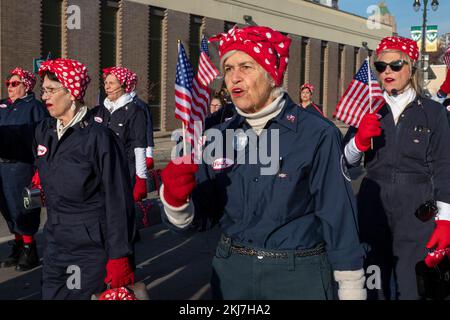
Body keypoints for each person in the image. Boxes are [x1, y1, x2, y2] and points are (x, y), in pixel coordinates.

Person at [160, 25, 366, 300]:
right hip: (231, 273)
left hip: (298, 276)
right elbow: (200, 218)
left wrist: (351, 287)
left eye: (246, 66)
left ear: (271, 75)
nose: (234, 78)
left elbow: (338, 216)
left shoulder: (317, 133)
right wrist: (175, 200)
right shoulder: (218, 136)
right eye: (229, 68)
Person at [0, 58, 135, 299]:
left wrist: (119, 255)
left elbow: (119, 200)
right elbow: (11, 138)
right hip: (55, 240)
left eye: (52, 90)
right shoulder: (45, 131)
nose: (44, 96)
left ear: (72, 93)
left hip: (89, 246)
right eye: (43, 90)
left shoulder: (99, 137)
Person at [342, 36, 450, 300]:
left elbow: (445, 165)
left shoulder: (433, 112)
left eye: (395, 65)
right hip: (372, 206)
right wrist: (359, 141)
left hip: (417, 212)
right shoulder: (369, 108)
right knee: (374, 287)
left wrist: (446, 221)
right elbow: (345, 163)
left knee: (412, 288)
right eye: (381, 66)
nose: (387, 72)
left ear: (411, 67)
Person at [0, 67, 49, 271]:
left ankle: (30, 248)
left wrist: (40, 168)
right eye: (8, 84)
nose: (10, 87)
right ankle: (19, 244)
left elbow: (42, 137)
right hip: (2, 165)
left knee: (24, 207)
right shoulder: (2, 105)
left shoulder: (35, 107)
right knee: (8, 209)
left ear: (26, 85)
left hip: (22, 166)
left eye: (14, 83)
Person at [92, 67, 148, 202]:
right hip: (100, 170)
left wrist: (141, 177)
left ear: (123, 85)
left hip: (123, 170)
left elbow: (139, 145)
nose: (107, 87)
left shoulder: (135, 111)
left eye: (112, 83)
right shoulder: (99, 110)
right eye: (105, 83)